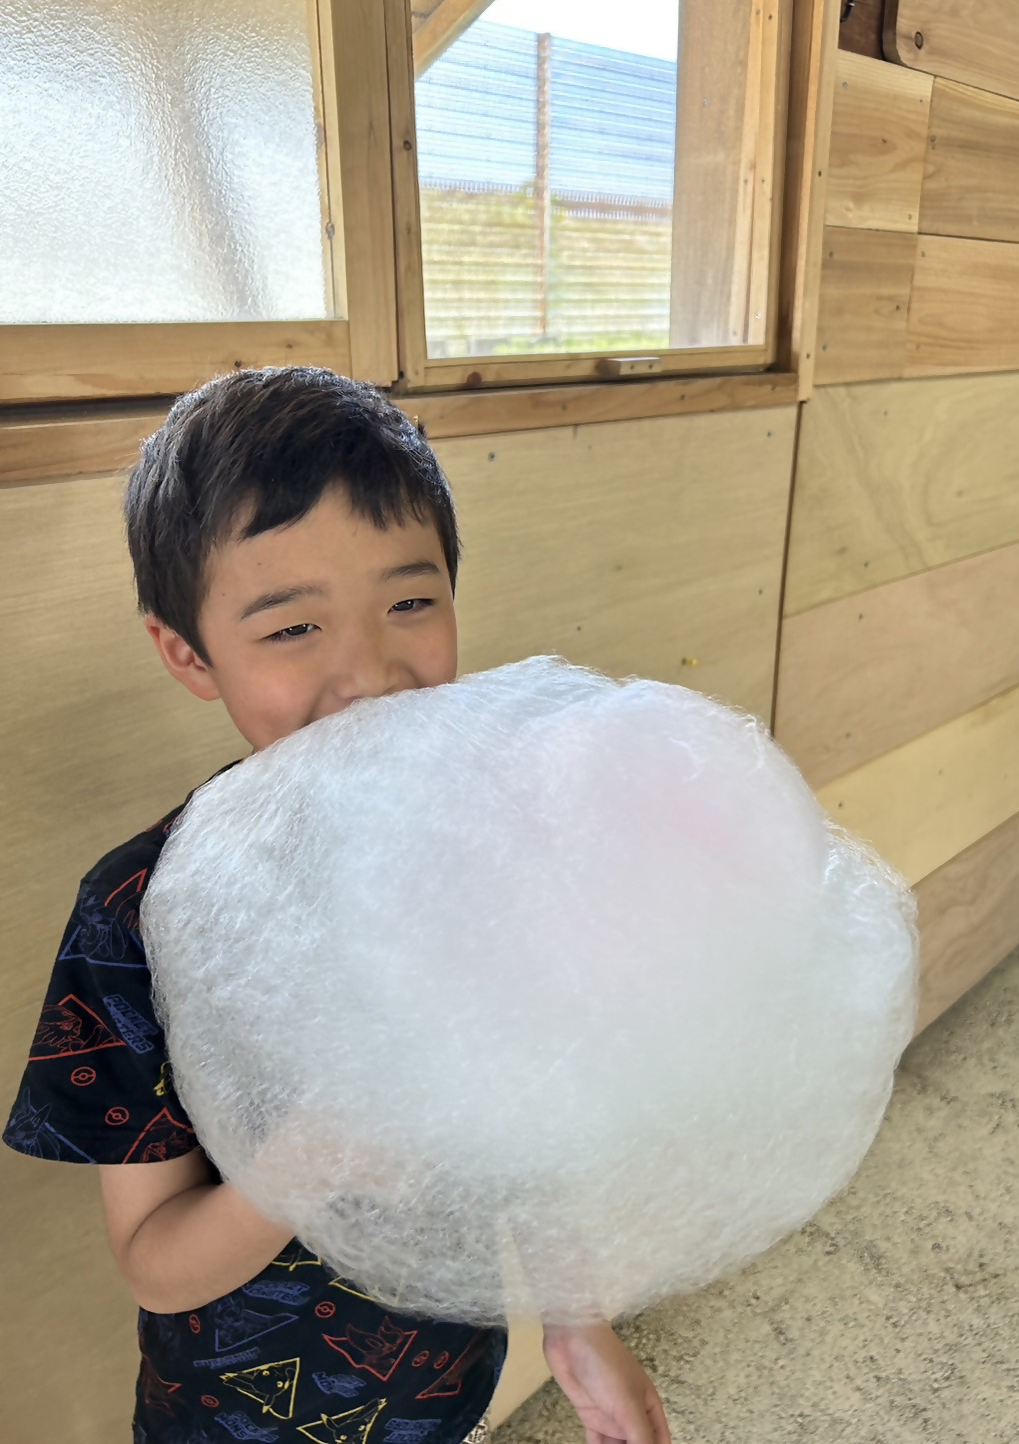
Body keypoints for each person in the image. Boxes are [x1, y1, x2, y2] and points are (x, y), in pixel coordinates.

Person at [3, 367, 672, 1444]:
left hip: (443, 1392)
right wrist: (310, 1159)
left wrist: (574, 1316)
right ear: (188, 652)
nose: (370, 672)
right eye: (291, 628)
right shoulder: (136, 917)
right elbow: (155, 1264)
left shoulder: (481, 849)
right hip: (230, 1422)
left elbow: (523, 1118)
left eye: (409, 601)